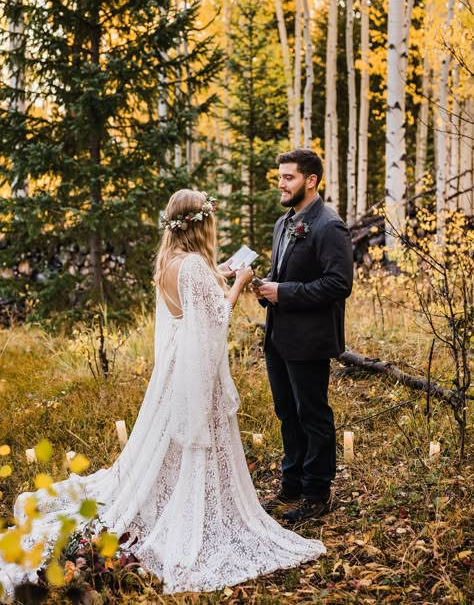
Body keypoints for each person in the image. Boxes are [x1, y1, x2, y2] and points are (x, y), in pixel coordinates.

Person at [0, 189, 325, 599]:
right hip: (193, 367)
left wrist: (219, 273)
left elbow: (192, 300)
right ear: (200, 223)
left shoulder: (171, 261)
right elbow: (215, 320)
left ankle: (172, 493)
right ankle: (193, 509)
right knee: (194, 438)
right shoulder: (192, 267)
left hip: (176, 364)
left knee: (170, 439)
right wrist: (240, 282)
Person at [251, 150, 353, 524]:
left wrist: (286, 292)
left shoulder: (329, 226)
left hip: (309, 338)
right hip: (278, 335)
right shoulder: (284, 223)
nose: (281, 183)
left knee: (312, 414)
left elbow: (339, 284)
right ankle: (290, 485)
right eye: (280, 176)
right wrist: (263, 285)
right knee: (286, 413)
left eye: (289, 177)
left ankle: (316, 493)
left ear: (311, 181)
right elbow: (284, 272)